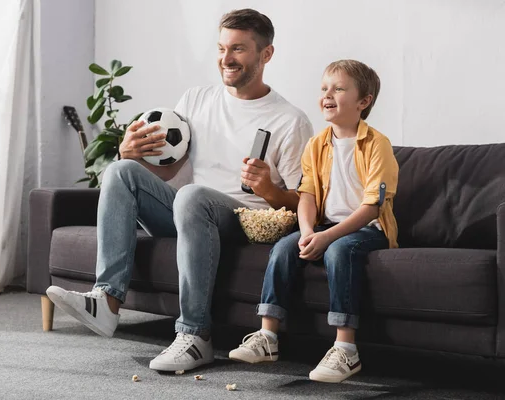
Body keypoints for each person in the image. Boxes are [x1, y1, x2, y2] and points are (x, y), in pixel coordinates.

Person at [45, 8, 313, 373]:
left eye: (238, 49)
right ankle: (106, 302)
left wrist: (268, 190)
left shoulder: (289, 120)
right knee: (121, 171)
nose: (225, 59)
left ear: (266, 54)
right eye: (221, 48)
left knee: (192, 195)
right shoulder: (196, 99)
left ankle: (195, 335)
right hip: (188, 214)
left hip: (243, 223)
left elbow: (304, 202)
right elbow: (169, 168)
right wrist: (130, 152)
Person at [228, 59, 399, 383]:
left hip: (367, 229)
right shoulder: (316, 144)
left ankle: (346, 350)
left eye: (339, 88)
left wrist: (327, 238)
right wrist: (308, 232)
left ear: (364, 101)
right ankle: (268, 337)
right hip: (323, 226)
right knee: (283, 248)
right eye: (324, 89)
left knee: (338, 251)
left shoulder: (378, 145)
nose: (327, 95)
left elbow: (372, 208)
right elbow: (306, 196)